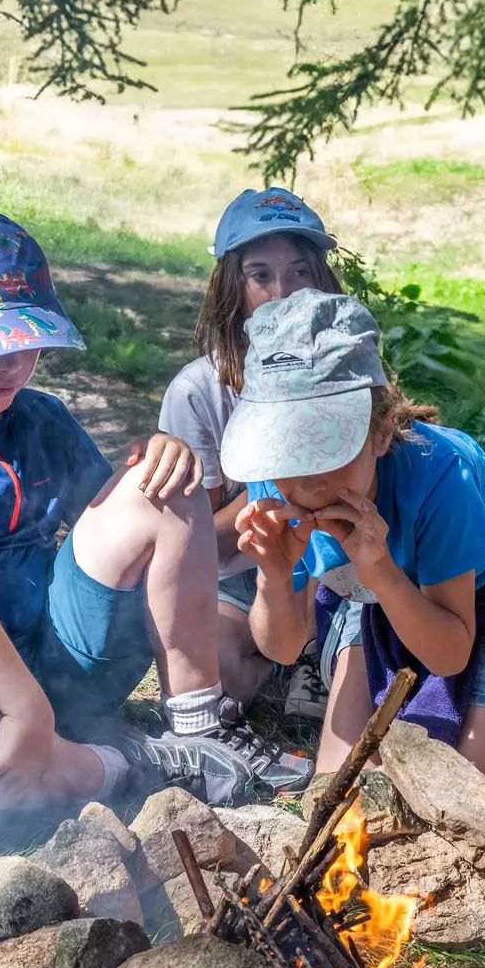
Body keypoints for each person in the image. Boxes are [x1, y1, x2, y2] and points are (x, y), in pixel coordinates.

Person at [0, 208, 306, 820]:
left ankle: (197, 731)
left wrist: (161, 457)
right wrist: (24, 707)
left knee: (164, 479)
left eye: (26, 340)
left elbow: (125, 530)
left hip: (54, 652)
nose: (12, 364)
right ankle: (134, 765)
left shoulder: (40, 418)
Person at [225, 289, 485, 787]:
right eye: (289, 451)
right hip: (368, 593)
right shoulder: (275, 477)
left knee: (470, 788)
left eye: (327, 447)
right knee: (335, 785)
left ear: (381, 432)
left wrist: (383, 574)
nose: (308, 482)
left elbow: (450, 653)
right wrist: (272, 576)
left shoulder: (444, 478)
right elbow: (284, 649)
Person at [158, 187, 342, 716]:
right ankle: (281, 660)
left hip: (340, 556)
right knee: (215, 679)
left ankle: (316, 652)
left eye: (301, 271)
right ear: (230, 286)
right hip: (243, 573)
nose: (283, 292)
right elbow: (197, 548)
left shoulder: (346, 369)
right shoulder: (200, 390)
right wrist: (279, 489)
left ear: (322, 280)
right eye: (261, 275)